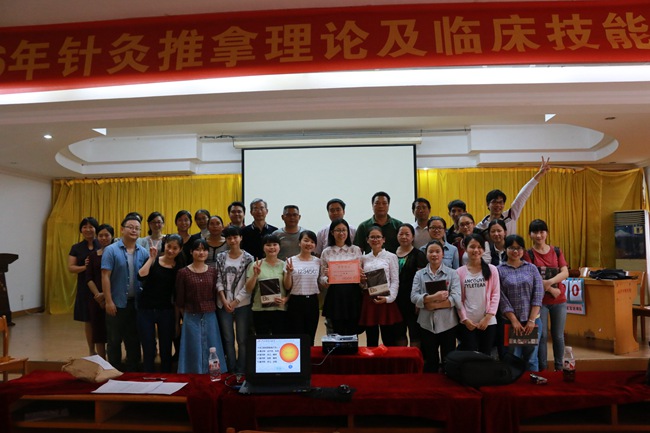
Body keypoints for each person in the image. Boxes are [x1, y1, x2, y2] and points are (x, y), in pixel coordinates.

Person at [101, 214, 149, 371]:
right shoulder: (111, 250)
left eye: (137, 228)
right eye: (130, 227)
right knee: (114, 340)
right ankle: (113, 371)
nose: (134, 230)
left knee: (133, 340)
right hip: (116, 303)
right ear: (122, 229)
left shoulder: (143, 252)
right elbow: (105, 276)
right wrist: (108, 301)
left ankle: (132, 372)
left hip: (136, 304)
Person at [175, 238, 227, 374]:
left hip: (210, 315)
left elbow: (216, 294)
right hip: (190, 316)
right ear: (191, 252)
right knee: (192, 346)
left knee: (212, 345)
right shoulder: (183, 272)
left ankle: (214, 373)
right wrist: (184, 316)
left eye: (204, 250)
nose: (201, 253)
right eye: (197, 250)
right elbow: (179, 298)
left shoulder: (213, 272)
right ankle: (193, 373)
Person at [524, 219, 569, 371]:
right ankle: (543, 368)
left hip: (559, 300)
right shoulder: (528, 254)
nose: (539, 235)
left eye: (541, 231)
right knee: (542, 336)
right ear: (530, 235)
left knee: (558, 336)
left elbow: (565, 272)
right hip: (539, 302)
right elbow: (533, 278)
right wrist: (551, 289)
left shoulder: (556, 251)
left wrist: (549, 283)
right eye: (535, 232)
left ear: (547, 233)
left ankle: (559, 367)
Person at [411, 239, 461, 373]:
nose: (434, 254)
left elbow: (456, 298)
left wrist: (432, 305)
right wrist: (434, 297)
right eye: (431, 251)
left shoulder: (452, 273)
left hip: (448, 323)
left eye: (437, 251)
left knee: (448, 359)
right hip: (426, 323)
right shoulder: (419, 274)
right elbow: (414, 297)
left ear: (443, 254)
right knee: (430, 360)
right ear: (426, 254)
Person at [137, 234, 184, 372]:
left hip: (166, 311)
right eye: (169, 246)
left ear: (180, 249)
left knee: (166, 347)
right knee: (148, 346)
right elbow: (140, 276)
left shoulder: (179, 268)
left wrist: (177, 322)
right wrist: (152, 258)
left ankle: (166, 376)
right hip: (146, 309)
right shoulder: (154, 260)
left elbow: (177, 296)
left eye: (175, 248)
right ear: (165, 245)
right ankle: (148, 376)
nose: (171, 250)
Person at [498, 234, 544, 372]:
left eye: (519, 248)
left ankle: (532, 382)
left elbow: (538, 294)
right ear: (505, 249)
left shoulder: (532, 268)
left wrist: (531, 320)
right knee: (513, 357)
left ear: (523, 250)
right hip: (510, 322)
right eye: (511, 248)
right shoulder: (499, 270)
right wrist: (514, 321)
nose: (515, 251)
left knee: (532, 358)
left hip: (532, 321)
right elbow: (501, 298)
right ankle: (514, 384)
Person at [476, 156, 550, 235]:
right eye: (494, 202)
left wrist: (540, 174)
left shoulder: (511, 215)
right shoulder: (481, 227)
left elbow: (523, 194)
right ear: (488, 204)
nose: (498, 205)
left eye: (501, 202)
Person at [216, 226, 254, 374]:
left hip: (242, 303)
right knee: (228, 339)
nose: (232, 240)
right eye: (229, 238)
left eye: (235, 237)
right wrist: (224, 300)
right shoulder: (221, 257)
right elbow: (218, 279)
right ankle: (230, 368)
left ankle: (241, 369)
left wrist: (235, 301)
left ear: (241, 238)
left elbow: (248, 285)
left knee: (242, 339)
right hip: (223, 303)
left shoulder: (248, 258)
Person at [456, 234, 500, 355]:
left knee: (486, 354)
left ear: (484, 249)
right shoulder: (459, 272)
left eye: (479, 247)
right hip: (467, 322)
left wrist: (487, 318)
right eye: (472, 247)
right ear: (465, 249)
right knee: (470, 355)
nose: (476, 250)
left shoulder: (492, 269)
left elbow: (495, 295)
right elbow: (458, 299)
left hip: (488, 321)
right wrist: (465, 319)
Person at [320, 218, 364, 335]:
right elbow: (321, 278)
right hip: (335, 296)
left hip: (353, 295)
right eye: (338, 230)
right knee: (336, 331)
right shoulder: (326, 252)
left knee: (353, 332)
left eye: (344, 230)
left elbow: (360, 274)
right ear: (332, 232)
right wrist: (327, 278)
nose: (341, 233)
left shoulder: (355, 250)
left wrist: (361, 276)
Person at [245, 234, 290, 335]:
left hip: (279, 309)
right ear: (263, 247)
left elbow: (288, 287)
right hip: (260, 310)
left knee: (279, 340)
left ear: (279, 247)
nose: (272, 247)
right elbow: (248, 289)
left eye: (275, 244)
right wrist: (255, 275)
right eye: (268, 245)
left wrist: (285, 299)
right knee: (262, 340)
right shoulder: (255, 265)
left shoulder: (285, 265)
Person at [68, 216, 100, 356]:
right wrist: (86, 267)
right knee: (89, 320)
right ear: (81, 229)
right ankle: (91, 350)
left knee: (103, 319)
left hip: (102, 286)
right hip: (85, 287)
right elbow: (71, 268)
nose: (88, 229)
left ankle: (104, 349)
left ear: (96, 229)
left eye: (91, 226)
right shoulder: (76, 248)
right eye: (85, 227)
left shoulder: (103, 244)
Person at [285, 230, 321, 345]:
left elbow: (321, 281)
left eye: (312, 242)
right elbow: (287, 286)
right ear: (299, 242)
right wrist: (288, 272)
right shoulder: (290, 261)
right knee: (296, 337)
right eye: (306, 240)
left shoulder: (318, 262)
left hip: (312, 301)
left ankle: (310, 357)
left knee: (310, 337)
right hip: (296, 302)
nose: (309, 244)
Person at [395, 223, 427, 347]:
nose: (404, 237)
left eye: (407, 234)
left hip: (412, 300)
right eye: (401, 234)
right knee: (399, 333)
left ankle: (414, 359)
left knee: (415, 333)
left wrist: (419, 302)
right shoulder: (391, 254)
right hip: (395, 300)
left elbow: (422, 280)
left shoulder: (418, 254)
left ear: (413, 237)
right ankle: (402, 358)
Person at [85, 223, 113, 359]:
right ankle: (102, 361)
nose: (103, 238)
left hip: (113, 297)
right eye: (100, 235)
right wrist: (98, 294)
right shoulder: (92, 256)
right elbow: (89, 278)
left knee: (114, 332)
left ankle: (114, 361)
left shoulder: (117, 254)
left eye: (107, 235)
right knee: (98, 332)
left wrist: (106, 295)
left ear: (112, 236)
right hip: (96, 299)